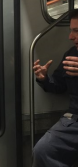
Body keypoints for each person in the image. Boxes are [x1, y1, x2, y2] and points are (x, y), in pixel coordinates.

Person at [32, 9, 78, 167]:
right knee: (43, 150)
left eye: (76, 31)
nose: (71, 37)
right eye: (71, 30)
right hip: (74, 120)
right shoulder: (71, 54)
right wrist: (44, 79)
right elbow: (59, 85)